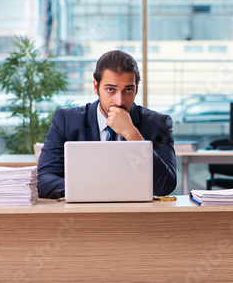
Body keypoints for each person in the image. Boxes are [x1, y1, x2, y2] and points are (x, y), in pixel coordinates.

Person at [37, 50, 177, 199]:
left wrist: (133, 136)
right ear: (96, 87)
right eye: (111, 90)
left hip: (135, 216)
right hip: (83, 214)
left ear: (136, 88)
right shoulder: (66, 120)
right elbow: (44, 179)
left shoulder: (158, 124)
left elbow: (166, 185)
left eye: (128, 90)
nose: (119, 101)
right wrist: (94, 190)